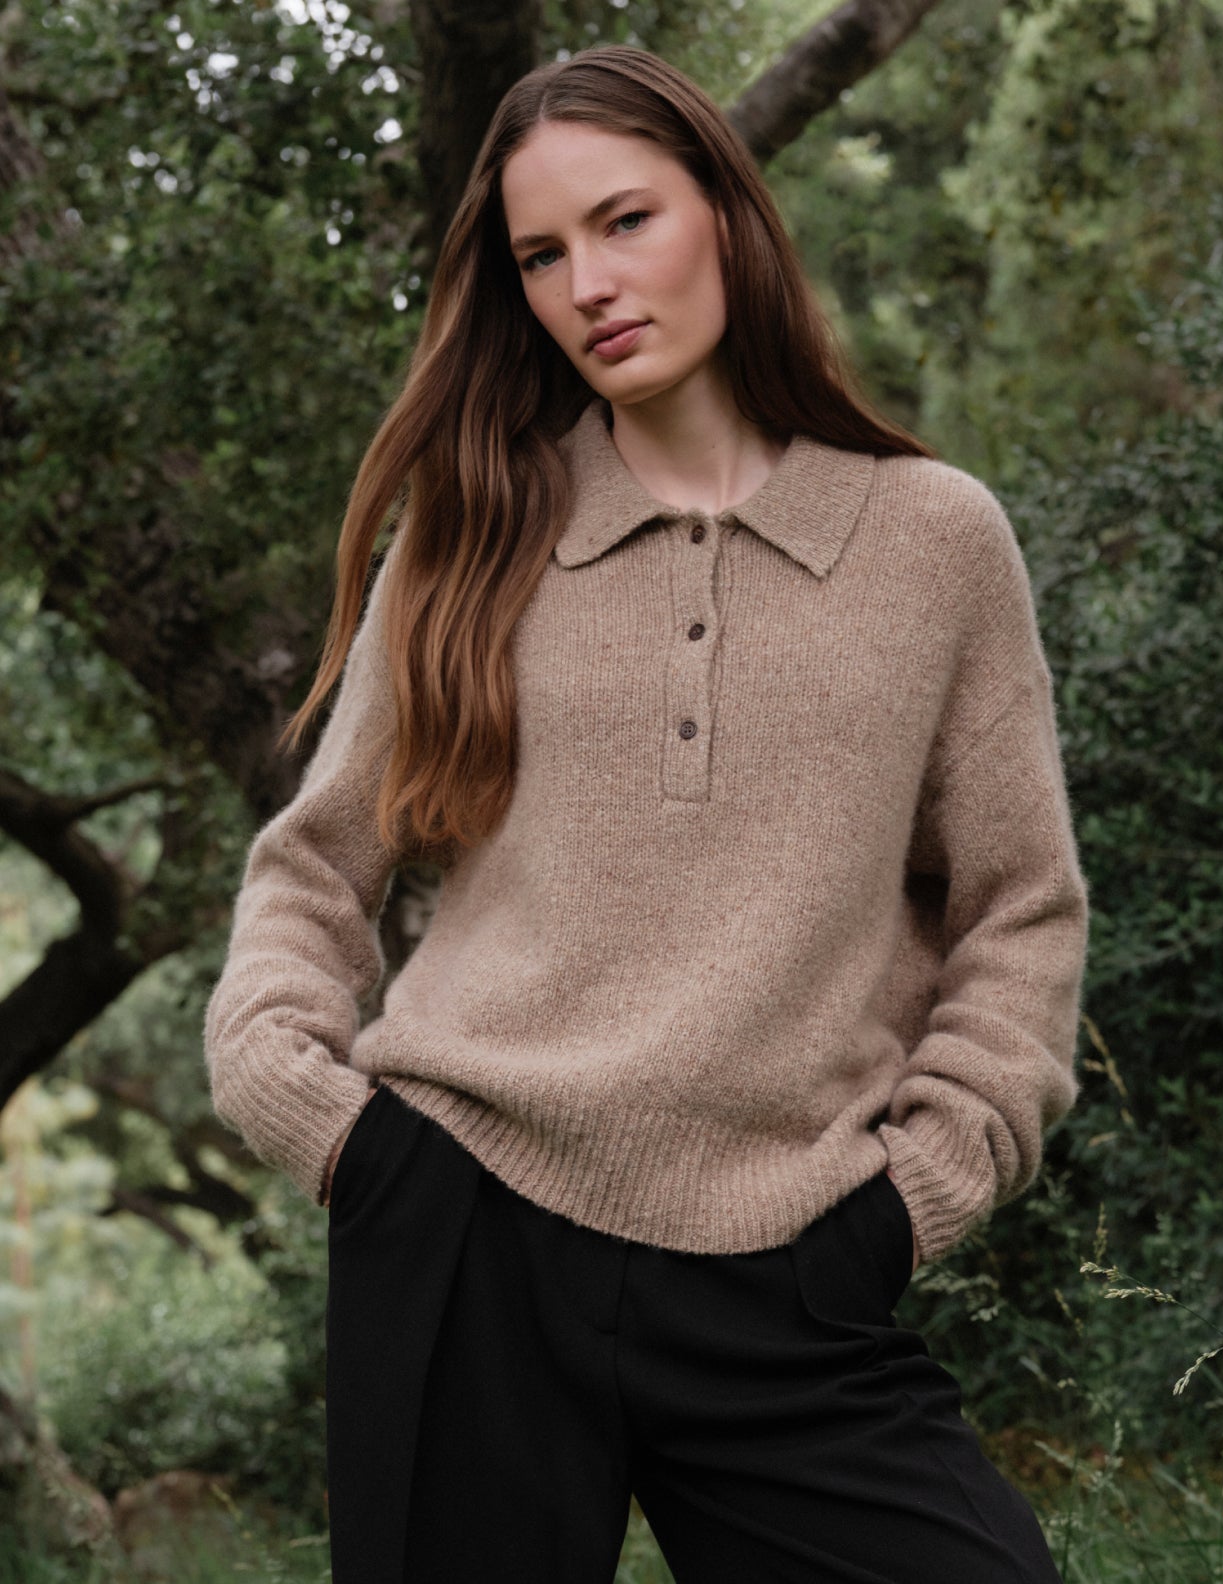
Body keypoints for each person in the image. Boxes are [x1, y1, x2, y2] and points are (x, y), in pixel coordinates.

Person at [204, 40, 1089, 1584]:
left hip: (793, 1267)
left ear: (729, 215)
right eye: (541, 254)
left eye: (625, 221)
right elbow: (312, 871)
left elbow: (1016, 914)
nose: (586, 283)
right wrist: (331, 1126)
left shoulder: (935, 542)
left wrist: (915, 1195)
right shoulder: (477, 532)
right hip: (463, 1229)